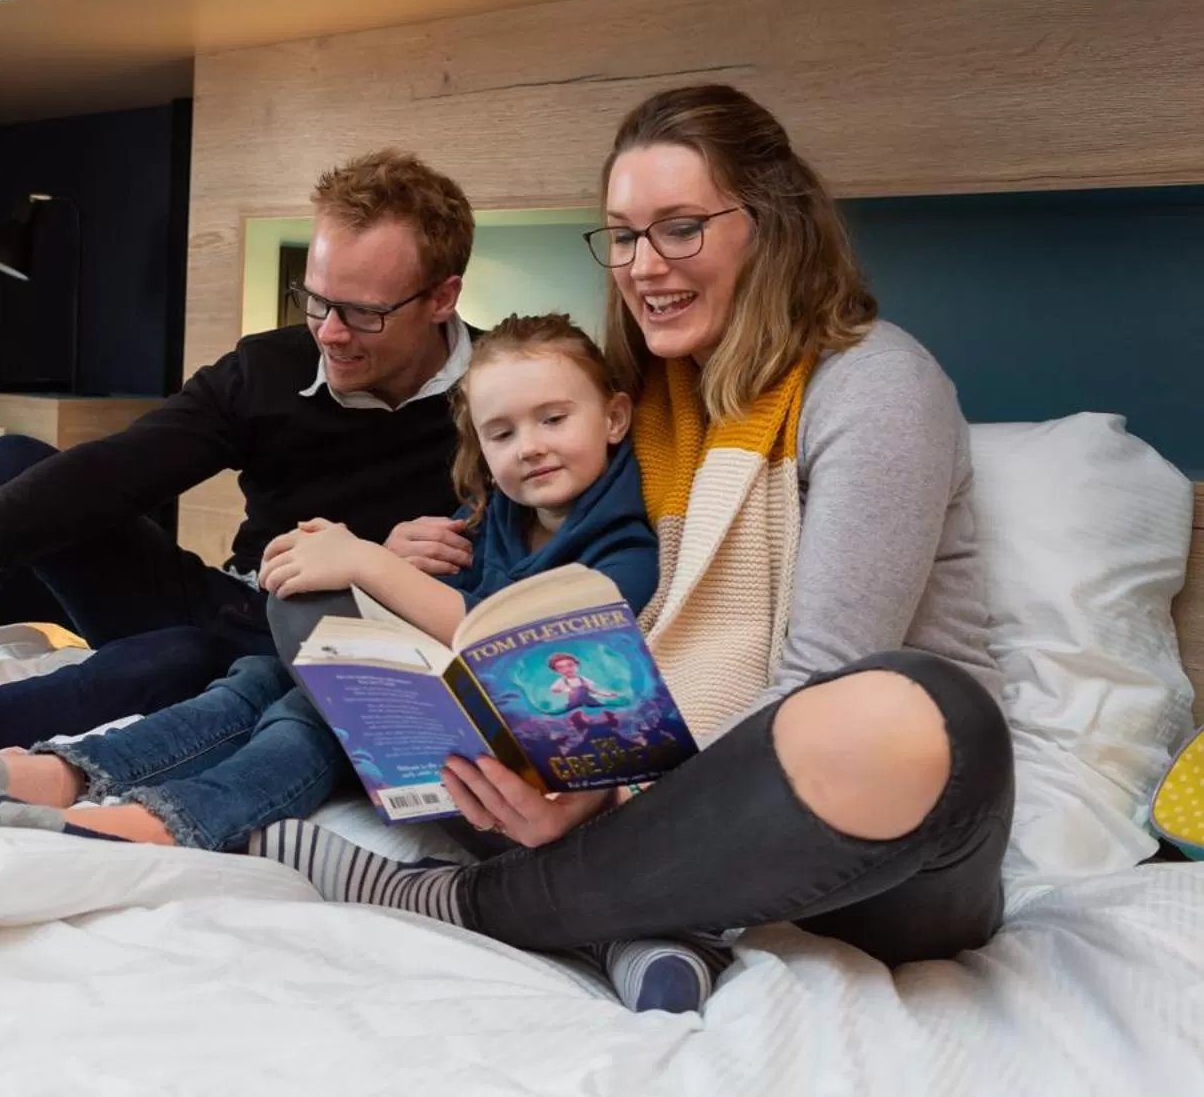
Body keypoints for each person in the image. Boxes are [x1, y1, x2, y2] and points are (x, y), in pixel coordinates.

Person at [251, 84, 1014, 983]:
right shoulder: (640, 401)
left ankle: (465, 898)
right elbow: (542, 568)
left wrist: (614, 792)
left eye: (680, 226)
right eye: (622, 234)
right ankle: (626, 914)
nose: (644, 263)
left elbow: (819, 685)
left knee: (916, 708)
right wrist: (413, 562)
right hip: (621, 785)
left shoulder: (876, 385)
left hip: (873, 833)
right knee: (321, 594)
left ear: (771, 225)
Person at [0, 314, 725, 1012]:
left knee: (305, 706)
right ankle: (82, 769)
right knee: (273, 677)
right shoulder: (496, 514)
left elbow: (491, 636)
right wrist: (382, 572)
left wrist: (366, 562)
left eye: (554, 418)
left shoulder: (626, 543)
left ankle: (166, 817)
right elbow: (422, 607)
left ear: (615, 415)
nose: (532, 447)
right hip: (436, 742)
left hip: (534, 783)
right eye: (503, 434)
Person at [0, 150, 484, 770]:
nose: (328, 332)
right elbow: (122, 469)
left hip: (337, 640)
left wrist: (382, 568)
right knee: (10, 462)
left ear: (442, 298)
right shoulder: (267, 368)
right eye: (317, 300)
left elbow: (530, 573)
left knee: (174, 660)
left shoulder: (512, 399)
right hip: (234, 598)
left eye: (363, 313)